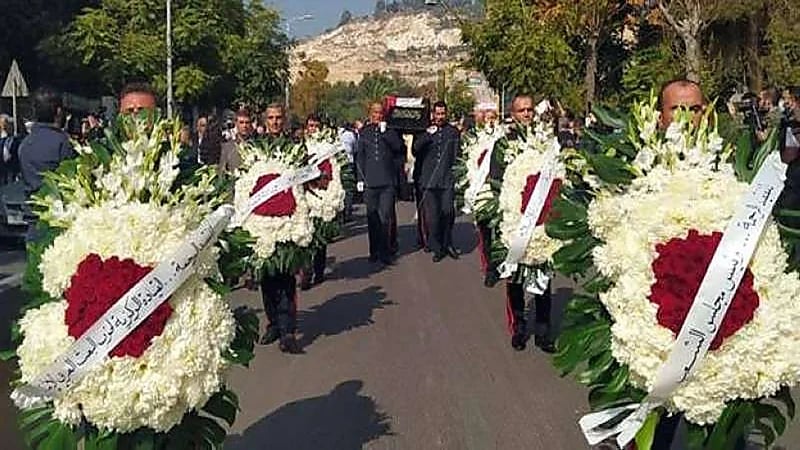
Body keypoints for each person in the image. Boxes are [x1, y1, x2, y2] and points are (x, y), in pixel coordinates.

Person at [487, 94, 555, 353]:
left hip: (543, 222)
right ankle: (518, 327)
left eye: (529, 110)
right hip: (515, 221)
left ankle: (544, 330)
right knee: (514, 279)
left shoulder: (547, 143)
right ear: (513, 115)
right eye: (521, 110)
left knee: (543, 277)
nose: (527, 114)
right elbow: (495, 180)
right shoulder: (505, 144)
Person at [254, 103, 301, 353]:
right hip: (261, 223)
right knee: (267, 277)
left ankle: (287, 331)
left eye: (278, 118)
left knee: (286, 277)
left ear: (284, 120)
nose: (274, 122)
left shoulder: (294, 147)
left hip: (287, 221)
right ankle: (272, 323)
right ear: (265, 120)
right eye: (270, 118)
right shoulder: (255, 147)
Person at [18, 87, 76, 242]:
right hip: (58, 221)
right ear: (58, 112)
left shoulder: (25, 144)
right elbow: (72, 181)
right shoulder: (63, 143)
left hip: (33, 219)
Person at [355, 102, 405, 266]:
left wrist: (386, 134)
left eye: (380, 113)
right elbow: (360, 157)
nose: (378, 115)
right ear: (370, 114)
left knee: (385, 218)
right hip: (370, 182)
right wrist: (360, 179)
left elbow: (399, 149)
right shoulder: (364, 132)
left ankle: (385, 251)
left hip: (387, 182)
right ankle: (374, 251)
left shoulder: (391, 132)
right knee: (372, 218)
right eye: (375, 113)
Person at [412, 101, 461, 262]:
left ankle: (448, 243)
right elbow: (415, 150)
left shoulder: (453, 132)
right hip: (428, 181)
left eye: (442, 114)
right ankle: (438, 247)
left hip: (446, 179)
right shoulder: (423, 130)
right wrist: (427, 134)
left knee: (448, 212)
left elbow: (456, 154)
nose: (440, 117)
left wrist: (458, 176)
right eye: (437, 114)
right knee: (432, 218)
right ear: (433, 114)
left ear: (446, 114)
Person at [300, 113, 328, 291]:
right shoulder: (299, 147)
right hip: (303, 195)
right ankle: (306, 271)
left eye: (316, 126)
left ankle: (319, 269)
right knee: (304, 235)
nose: (313, 129)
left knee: (319, 236)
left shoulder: (327, 147)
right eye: (311, 126)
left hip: (321, 194)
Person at [219, 108, 253, 174]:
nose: (244, 126)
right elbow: (221, 172)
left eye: (247, 122)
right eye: (241, 122)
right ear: (236, 124)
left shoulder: (257, 145)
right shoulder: (227, 147)